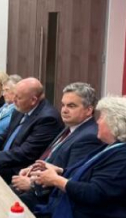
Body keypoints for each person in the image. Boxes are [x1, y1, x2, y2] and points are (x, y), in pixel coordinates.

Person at [31, 95, 126, 218]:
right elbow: (88, 174)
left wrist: (56, 180)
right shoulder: (115, 148)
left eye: (102, 118)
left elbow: (94, 193)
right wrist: (60, 171)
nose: (98, 121)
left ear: (116, 124)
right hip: (79, 214)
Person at [12, 82, 104, 210]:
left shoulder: (89, 137)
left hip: (49, 200)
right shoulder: (71, 128)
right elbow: (51, 158)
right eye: (63, 105)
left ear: (89, 110)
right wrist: (32, 168)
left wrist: (32, 184)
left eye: (71, 106)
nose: (64, 110)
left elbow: (71, 178)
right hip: (39, 187)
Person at [0, 78, 63, 182]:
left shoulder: (47, 118)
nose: (14, 100)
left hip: (19, 169)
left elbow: (25, 153)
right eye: (14, 95)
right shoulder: (21, 108)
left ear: (33, 100)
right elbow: (5, 136)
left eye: (18, 97)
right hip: (6, 158)